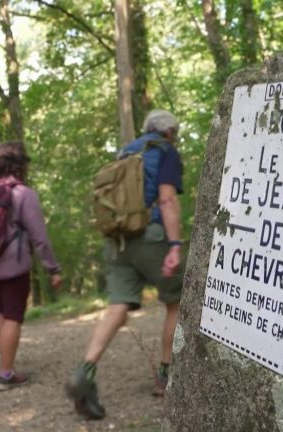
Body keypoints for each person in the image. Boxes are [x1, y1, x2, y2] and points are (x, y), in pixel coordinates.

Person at [66, 110, 185, 419]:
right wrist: (174, 245)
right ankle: (165, 375)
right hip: (152, 236)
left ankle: (85, 369)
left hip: (118, 240)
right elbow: (167, 199)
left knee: (118, 306)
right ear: (169, 131)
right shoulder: (164, 151)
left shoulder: (126, 152)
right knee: (177, 301)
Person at [0, 141, 62, 391]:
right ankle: (6, 374)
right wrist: (53, 268)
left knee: (0, 311)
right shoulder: (23, 194)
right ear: (21, 166)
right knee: (13, 316)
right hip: (13, 267)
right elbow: (39, 236)